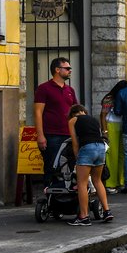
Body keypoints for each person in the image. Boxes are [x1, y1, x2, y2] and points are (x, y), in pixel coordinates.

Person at [34, 57, 78, 186]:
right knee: (51, 166)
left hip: (69, 134)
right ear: (57, 70)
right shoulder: (44, 88)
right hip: (52, 134)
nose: (70, 71)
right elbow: (38, 112)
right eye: (67, 68)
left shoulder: (70, 90)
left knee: (71, 166)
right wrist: (40, 135)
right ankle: (50, 195)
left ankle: (67, 196)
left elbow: (76, 111)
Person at [66, 104, 113, 226]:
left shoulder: (73, 120)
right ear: (83, 111)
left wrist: (77, 159)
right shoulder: (93, 120)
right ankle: (107, 211)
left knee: (82, 183)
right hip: (100, 147)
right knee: (97, 180)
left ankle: (84, 216)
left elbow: (75, 142)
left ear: (72, 114)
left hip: (87, 148)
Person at [100, 80, 127, 193]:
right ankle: (110, 183)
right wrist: (105, 131)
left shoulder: (123, 97)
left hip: (122, 127)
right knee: (112, 156)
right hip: (111, 127)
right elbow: (103, 115)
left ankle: (120, 181)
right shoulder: (109, 98)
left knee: (122, 155)